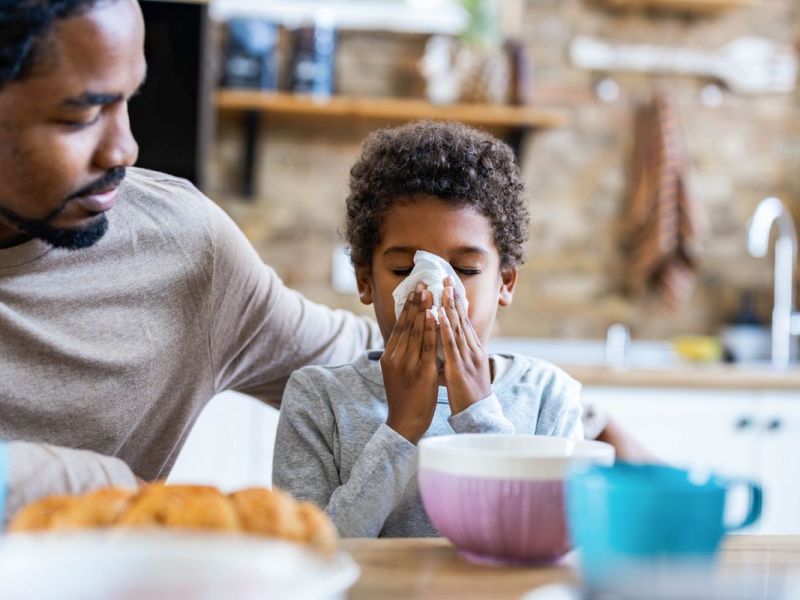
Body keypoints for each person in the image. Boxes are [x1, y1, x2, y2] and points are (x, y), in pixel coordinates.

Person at [0, 0, 380, 521]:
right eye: (82, 115)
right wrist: (85, 479)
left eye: (128, 100)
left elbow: (367, 363)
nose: (124, 150)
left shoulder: (182, 249)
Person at [273, 121, 584, 537]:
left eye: (466, 270)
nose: (435, 294)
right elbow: (307, 556)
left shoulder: (548, 398)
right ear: (365, 280)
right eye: (404, 269)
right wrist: (400, 430)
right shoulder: (317, 400)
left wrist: (479, 418)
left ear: (505, 283)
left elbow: (547, 541)